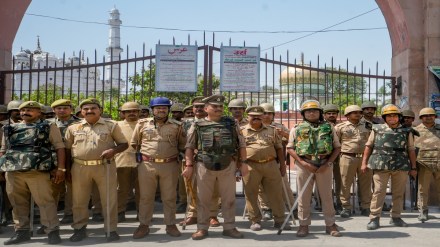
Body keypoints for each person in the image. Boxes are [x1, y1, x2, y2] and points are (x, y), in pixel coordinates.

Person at [182, 94, 248, 240]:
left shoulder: (232, 123)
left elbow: (242, 144)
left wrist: (243, 164)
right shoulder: (197, 124)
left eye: (220, 106)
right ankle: (202, 228)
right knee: (203, 198)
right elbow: (189, 146)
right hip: (204, 165)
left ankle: (229, 227)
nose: (218, 109)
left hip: (227, 164)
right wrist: (188, 165)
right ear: (206, 108)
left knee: (228, 198)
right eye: (215, 106)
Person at [0, 101, 66, 245]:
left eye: (30, 110)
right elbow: (4, 149)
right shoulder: (9, 128)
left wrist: (60, 168)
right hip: (13, 171)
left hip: (38, 171)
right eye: (23, 110)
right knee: (17, 204)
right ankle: (21, 232)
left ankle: (52, 232)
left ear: (39, 112)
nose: (25, 112)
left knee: (45, 202)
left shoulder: (48, 126)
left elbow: (59, 147)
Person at [65, 98, 128, 242]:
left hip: (104, 166)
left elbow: (124, 144)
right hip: (79, 167)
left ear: (100, 110)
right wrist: (67, 170)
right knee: (79, 200)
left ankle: (111, 230)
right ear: (81, 112)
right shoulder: (73, 128)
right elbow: (67, 150)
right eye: (85, 109)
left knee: (109, 199)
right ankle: (79, 229)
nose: (89, 111)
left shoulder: (111, 126)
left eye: (93, 108)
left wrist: (113, 150)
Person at [130, 97, 186, 239]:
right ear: (152, 110)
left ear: (168, 110)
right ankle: (144, 225)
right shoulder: (142, 124)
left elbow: (182, 145)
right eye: (158, 108)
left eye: (164, 108)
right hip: (147, 165)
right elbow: (134, 143)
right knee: (146, 197)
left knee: (169, 197)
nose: (161, 110)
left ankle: (170, 224)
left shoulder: (176, 126)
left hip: (170, 165)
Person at [287, 100, 342, 237]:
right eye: (308, 111)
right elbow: (290, 148)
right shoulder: (297, 128)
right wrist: (303, 163)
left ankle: (330, 225)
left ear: (320, 113)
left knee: (327, 197)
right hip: (304, 165)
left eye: (315, 110)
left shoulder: (329, 127)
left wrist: (328, 164)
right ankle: (303, 225)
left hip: (324, 165)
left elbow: (337, 147)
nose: (311, 113)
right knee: (303, 197)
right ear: (303, 114)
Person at [361, 104, 417, 230]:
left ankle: (396, 217)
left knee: (398, 193)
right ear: (384, 117)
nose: (392, 118)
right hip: (381, 165)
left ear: (399, 117)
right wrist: (364, 163)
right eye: (389, 116)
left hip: (401, 165)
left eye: (395, 115)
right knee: (379, 191)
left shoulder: (406, 131)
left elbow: (411, 150)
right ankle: (374, 218)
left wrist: (413, 167)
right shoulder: (377, 129)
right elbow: (368, 146)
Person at [242, 106, 290, 231]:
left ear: (263, 117)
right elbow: (238, 151)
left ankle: (279, 220)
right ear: (248, 117)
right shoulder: (241, 131)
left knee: (276, 193)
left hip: (271, 165)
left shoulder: (272, 130)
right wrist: (239, 166)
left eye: (259, 116)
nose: (256, 118)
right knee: (251, 194)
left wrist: (283, 166)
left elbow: (279, 148)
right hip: (250, 165)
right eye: (253, 116)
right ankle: (255, 220)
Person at [179, 96, 221, 227]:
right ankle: (193, 214)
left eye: (201, 106)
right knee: (191, 188)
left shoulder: (215, 121)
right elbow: (179, 142)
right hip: (190, 160)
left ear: (207, 108)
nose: (198, 108)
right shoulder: (185, 123)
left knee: (213, 189)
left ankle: (212, 215)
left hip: (210, 160)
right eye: (196, 106)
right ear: (192, 108)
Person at [40, 99, 80, 232]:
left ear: (71, 109)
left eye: (65, 108)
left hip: (74, 160)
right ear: (53, 110)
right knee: (51, 191)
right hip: (53, 161)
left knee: (73, 190)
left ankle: (71, 215)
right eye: (58, 108)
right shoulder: (46, 124)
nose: (62, 110)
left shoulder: (79, 123)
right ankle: (48, 221)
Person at [258, 102, 295, 220]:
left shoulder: (279, 126)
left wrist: (282, 133)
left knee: (284, 185)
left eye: (270, 113)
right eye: (264, 113)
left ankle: (292, 208)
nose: (267, 116)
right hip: (259, 161)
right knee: (261, 187)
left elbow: (293, 138)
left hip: (277, 161)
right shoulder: (255, 126)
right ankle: (266, 209)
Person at [334, 105, 372, 218]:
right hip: (347, 157)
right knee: (345, 183)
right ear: (347, 115)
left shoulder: (368, 126)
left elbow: (371, 141)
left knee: (366, 183)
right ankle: (346, 207)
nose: (357, 114)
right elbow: (337, 143)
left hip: (364, 158)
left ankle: (366, 207)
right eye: (354, 112)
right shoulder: (340, 127)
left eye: (359, 112)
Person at [115, 102, 141, 222]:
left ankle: (142, 213)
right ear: (122, 113)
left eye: (134, 111)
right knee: (121, 190)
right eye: (128, 111)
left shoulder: (145, 124)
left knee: (142, 190)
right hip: (122, 161)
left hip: (141, 162)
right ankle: (119, 212)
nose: (131, 113)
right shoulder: (116, 125)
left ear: (138, 112)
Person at [414, 107, 440, 222]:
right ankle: (423, 211)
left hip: (439, 162)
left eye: (431, 115)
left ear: (435, 116)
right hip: (423, 164)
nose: (428, 117)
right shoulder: (415, 131)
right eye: (425, 115)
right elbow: (411, 148)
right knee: (422, 189)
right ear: (421, 118)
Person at [322, 104, 342, 213]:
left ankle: (339, 202)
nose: (331, 115)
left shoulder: (342, 126)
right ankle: (322, 202)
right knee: (324, 182)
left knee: (339, 180)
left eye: (333, 113)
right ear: (324, 115)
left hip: (339, 157)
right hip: (324, 157)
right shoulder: (319, 126)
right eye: (328, 113)